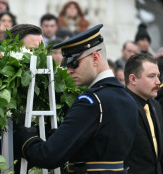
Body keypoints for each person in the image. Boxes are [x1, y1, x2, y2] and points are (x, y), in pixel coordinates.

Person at [18, 24, 138, 173]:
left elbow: (48, 155)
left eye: (74, 63)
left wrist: (25, 136)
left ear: (95, 57)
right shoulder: (128, 98)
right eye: (67, 64)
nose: (68, 70)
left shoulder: (91, 102)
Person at [124, 53, 163, 174]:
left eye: (158, 76)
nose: (158, 82)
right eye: (152, 76)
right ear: (133, 79)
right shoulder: (121, 107)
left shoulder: (155, 105)